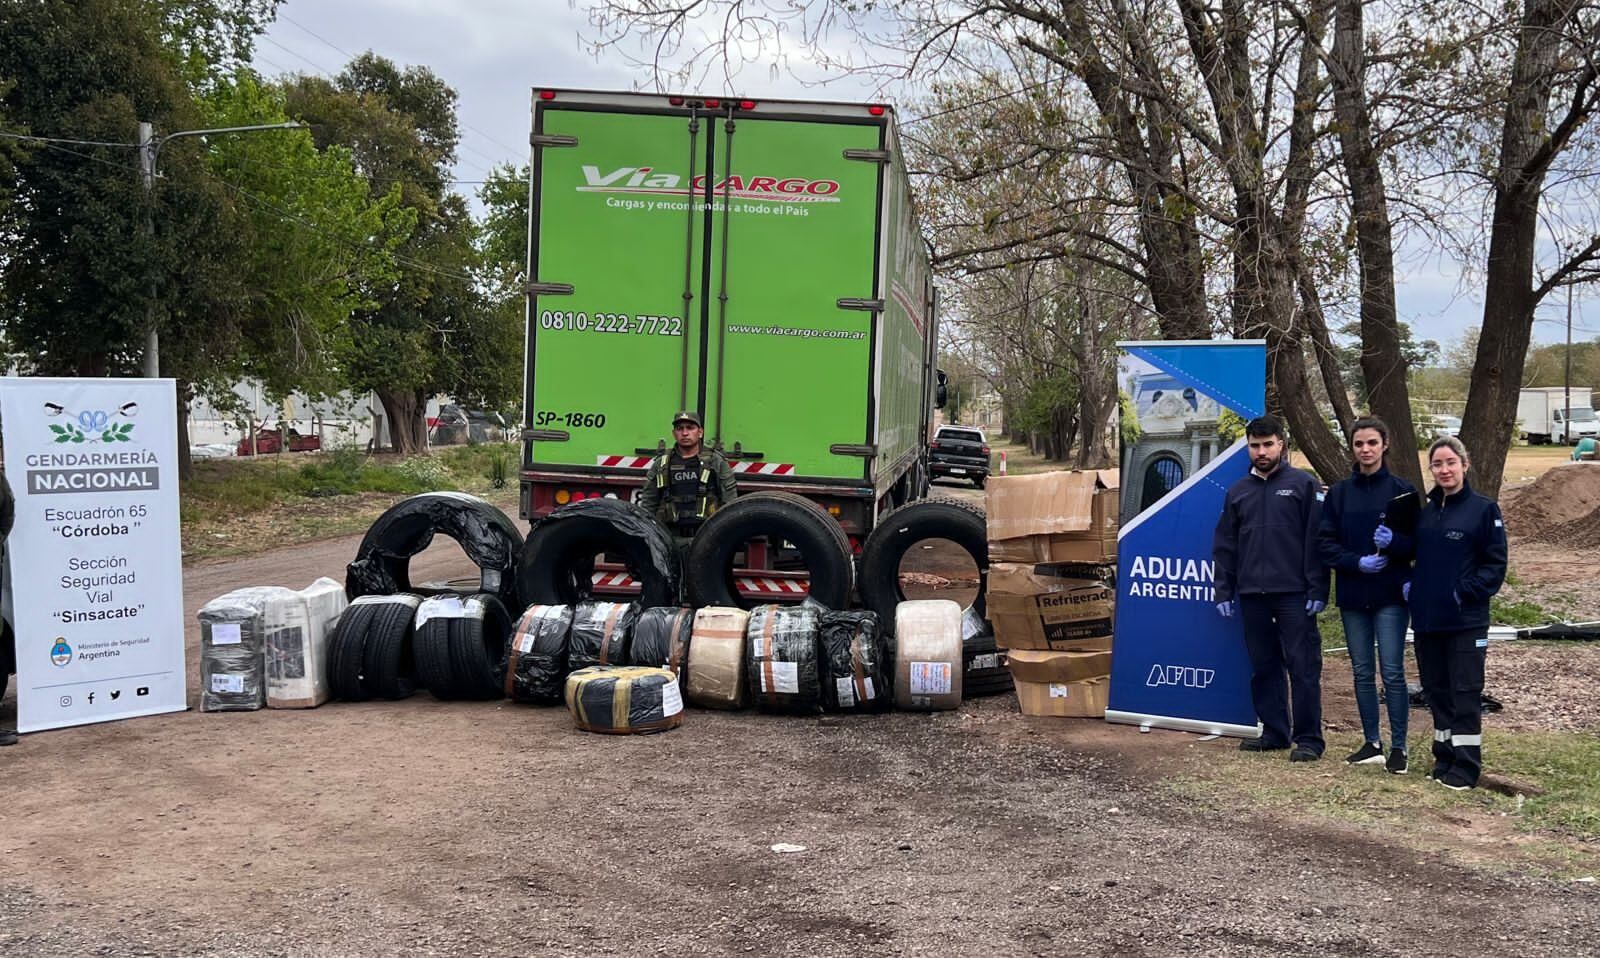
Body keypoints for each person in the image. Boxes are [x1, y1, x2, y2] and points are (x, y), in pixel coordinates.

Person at [1213, 415, 1330, 761]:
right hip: (1253, 595)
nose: (1261, 452)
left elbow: (1317, 540)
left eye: (1267, 445)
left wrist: (1318, 589)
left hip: (1295, 595)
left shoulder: (1304, 485)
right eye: (1255, 446)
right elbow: (1226, 546)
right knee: (1264, 666)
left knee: (1303, 667)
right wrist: (1224, 590)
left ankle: (1309, 739)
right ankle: (1275, 732)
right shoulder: (1237, 492)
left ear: (1281, 444)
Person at [1406, 436, 1507, 790]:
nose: (1444, 470)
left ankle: (1466, 766)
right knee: (1437, 691)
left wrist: (1462, 591)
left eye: (1451, 462)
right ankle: (1444, 755)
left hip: (1465, 622)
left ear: (1465, 465)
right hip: (1428, 621)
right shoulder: (1428, 513)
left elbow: (1495, 566)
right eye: (1437, 464)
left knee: (1464, 692)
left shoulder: (1483, 510)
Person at [1316, 417, 1415, 774]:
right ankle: (1372, 742)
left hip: (1390, 595)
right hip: (1354, 594)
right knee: (1361, 671)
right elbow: (1325, 544)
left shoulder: (1403, 491)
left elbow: (1417, 544)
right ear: (1352, 448)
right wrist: (1356, 562)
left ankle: (1399, 747)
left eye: (1372, 442)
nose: (1366, 449)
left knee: (1392, 671)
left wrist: (1396, 543)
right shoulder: (1339, 494)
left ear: (1385, 444)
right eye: (1359, 444)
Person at [637, 410, 738, 540]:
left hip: (707, 538)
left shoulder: (716, 462)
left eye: (690, 428)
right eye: (680, 429)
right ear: (674, 433)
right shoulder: (662, 463)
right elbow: (648, 503)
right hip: (669, 537)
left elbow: (730, 503)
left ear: (700, 432)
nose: (685, 433)